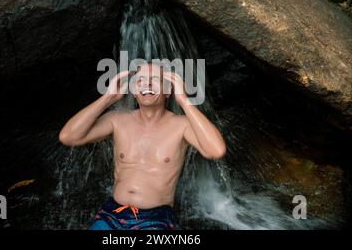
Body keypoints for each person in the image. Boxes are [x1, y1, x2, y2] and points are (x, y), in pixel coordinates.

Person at [59, 62, 227, 230]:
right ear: (133, 91)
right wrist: (107, 98)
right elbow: (69, 137)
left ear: (168, 89)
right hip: (112, 212)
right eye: (140, 81)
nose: (147, 84)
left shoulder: (181, 125)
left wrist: (184, 101)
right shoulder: (117, 119)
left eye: (155, 80)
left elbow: (216, 150)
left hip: (156, 217)